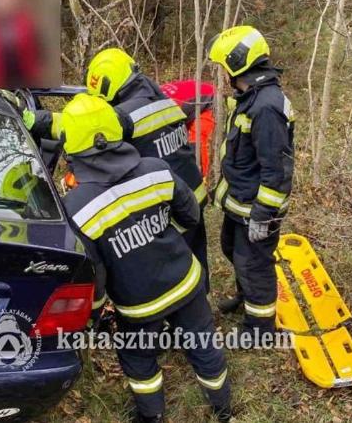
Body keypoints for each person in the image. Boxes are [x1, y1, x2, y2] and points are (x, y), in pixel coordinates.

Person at [58, 93, 231, 423]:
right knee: (203, 345)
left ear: (72, 148)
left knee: (139, 360)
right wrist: (166, 240)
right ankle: (222, 409)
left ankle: (152, 416)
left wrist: (94, 313)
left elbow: (95, 272)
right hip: (187, 282)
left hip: (139, 306)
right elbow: (190, 214)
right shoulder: (155, 170)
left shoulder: (76, 208)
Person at [24, 48, 212, 292]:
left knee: (165, 266)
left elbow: (78, 127)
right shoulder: (159, 99)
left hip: (166, 202)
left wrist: (33, 119)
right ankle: (200, 297)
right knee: (195, 253)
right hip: (191, 192)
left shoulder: (126, 115)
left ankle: (172, 312)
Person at [206, 26, 295, 335]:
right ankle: (247, 298)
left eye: (223, 67)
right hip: (240, 203)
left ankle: (259, 327)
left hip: (256, 209)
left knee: (254, 265)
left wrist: (263, 215)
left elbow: (277, 170)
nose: (221, 74)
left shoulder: (267, 107)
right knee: (233, 250)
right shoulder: (251, 96)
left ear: (237, 64)